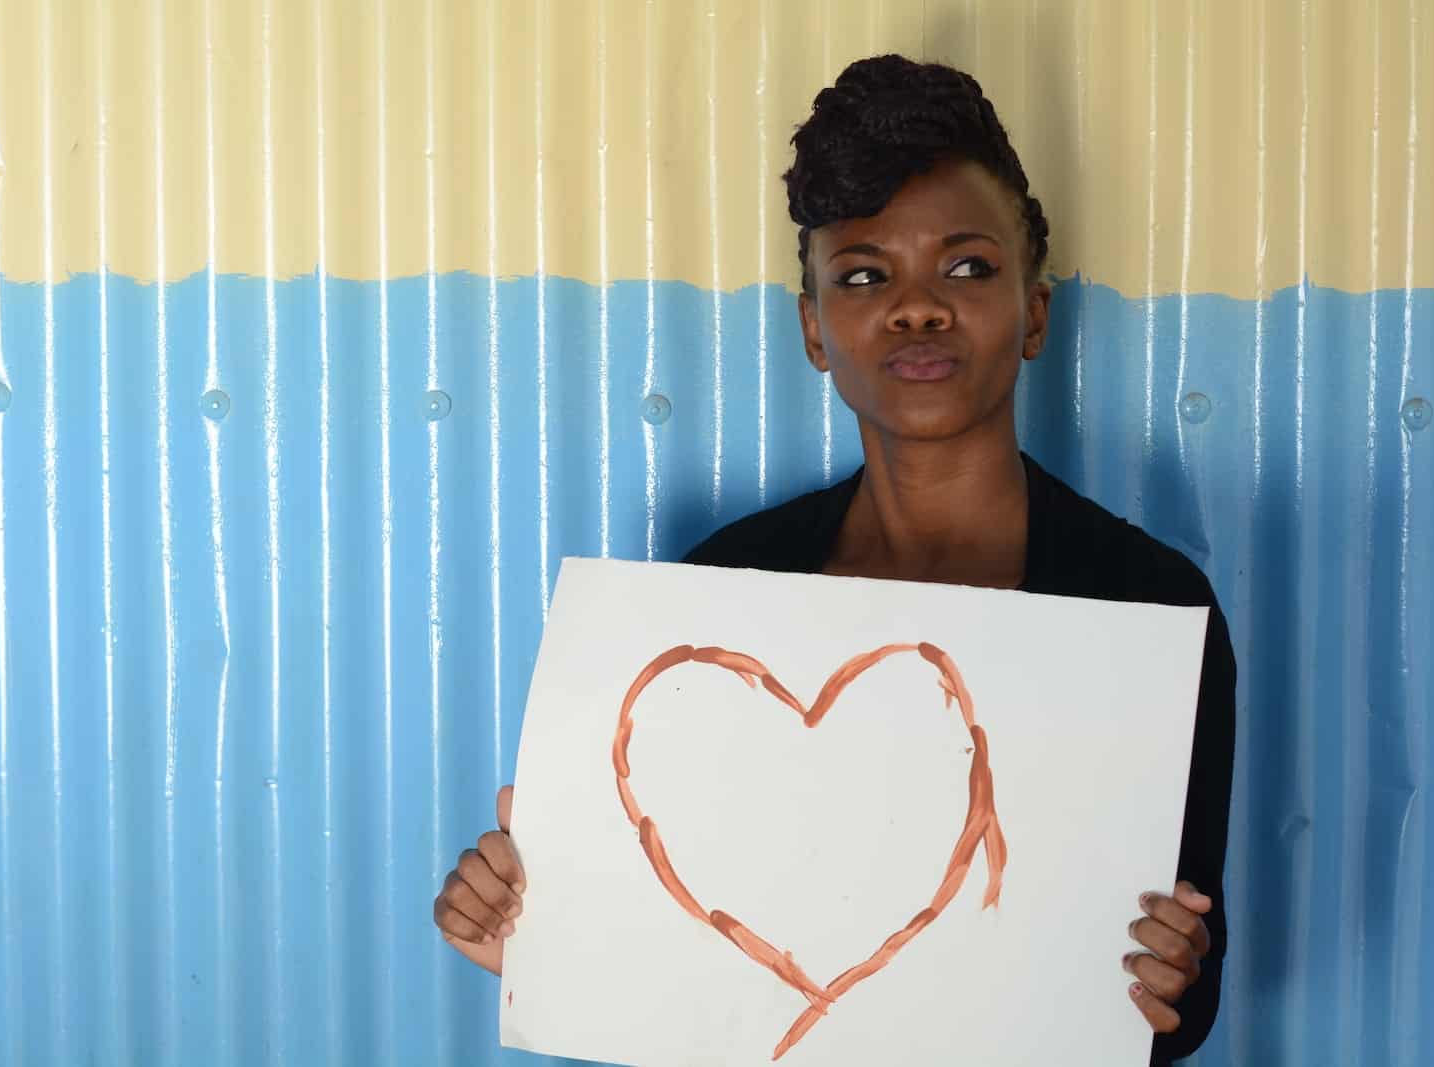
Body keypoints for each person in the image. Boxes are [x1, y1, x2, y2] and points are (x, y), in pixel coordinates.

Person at [432, 54, 1236, 1065]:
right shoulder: (721, 591)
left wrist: (1175, 974)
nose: (916, 307)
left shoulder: (1149, 605)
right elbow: (681, 957)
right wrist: (537, 930)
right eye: (863, 275)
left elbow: (1180, 1006)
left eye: (966, 266)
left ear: (1034, 310)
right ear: (815, 327)